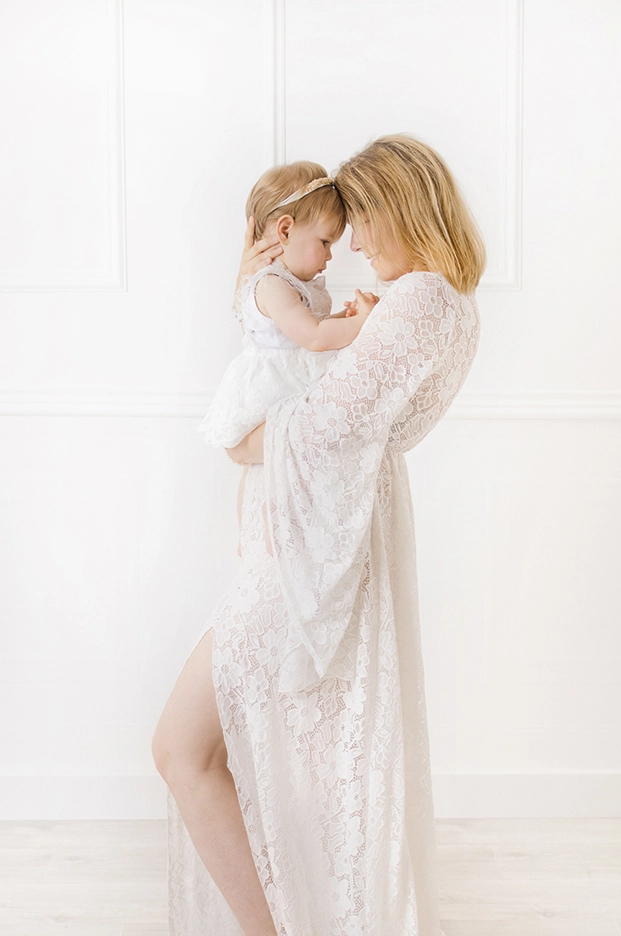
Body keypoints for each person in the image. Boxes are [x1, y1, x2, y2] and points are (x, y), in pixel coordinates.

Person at [152, 133, 485, 936]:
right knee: (211, 752)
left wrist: (241, 442)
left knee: (183, 748)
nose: (356, 245)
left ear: (402, 207)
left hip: (301, 555)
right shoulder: (429, 304)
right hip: (305, 541)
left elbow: (329, 425)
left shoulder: (421, 302)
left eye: (361, 222)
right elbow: (323, 390)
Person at [197, 161, 377, 556]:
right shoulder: (273, 285)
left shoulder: (295, 284)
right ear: (284, 229)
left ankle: (281, 543)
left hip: (290, 387)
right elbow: (312, 338)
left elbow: (307, 330)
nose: (331, 255)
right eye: (326, 241)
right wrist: (363, 323)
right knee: (266, 481)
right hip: (271, 393)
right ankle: (260, 542)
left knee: (286, 477)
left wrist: (341, 319)